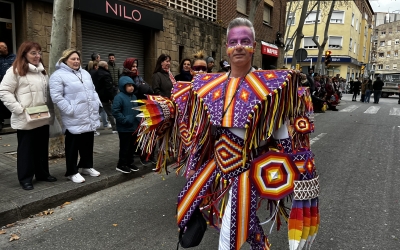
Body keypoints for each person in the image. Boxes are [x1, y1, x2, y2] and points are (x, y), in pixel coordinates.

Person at [135, 18, 320, 250]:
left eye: (245, 41)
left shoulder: (271, 87)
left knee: (230, 235)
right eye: (234, 42)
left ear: (253, 46)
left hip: (248, 173)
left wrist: (298, 173)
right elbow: (200, 131)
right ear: (226, 47)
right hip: (218, 167)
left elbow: (283, 138)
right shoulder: (210, 85)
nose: (239, 46)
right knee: (227, 220)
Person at [0, 41, 56, 190]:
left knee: (41, 148)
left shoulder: (42, 71)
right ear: (24, 54)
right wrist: (19, 109)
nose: (37, 56)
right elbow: (4, 92)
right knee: (26, 150)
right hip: (26, 118)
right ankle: (25, 178)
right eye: (33, 53)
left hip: (42, 117)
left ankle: (43, 173)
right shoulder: (15, 70)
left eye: (39, 52)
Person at [50, 49, 102, 183]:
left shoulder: (85, 73)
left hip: (89, 114)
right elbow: (56, 96)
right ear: (65, 60)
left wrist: (97, 103)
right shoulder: (58, 75)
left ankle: (86, 166)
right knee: (73, 145)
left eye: (78, 59)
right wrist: (69, 109)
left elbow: (93, 90)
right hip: (73, 115)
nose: (76, 61)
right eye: (73, 59)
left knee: (88, 142)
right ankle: (71, 172)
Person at [112, 76, 141, 173]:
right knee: (125, 147)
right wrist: (125, 120)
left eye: (132, 85)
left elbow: (136, 110)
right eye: (129, 85)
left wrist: (139, 119)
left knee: (132, 147)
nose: (131, 87)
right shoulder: (119, 97)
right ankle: (121, 164)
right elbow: (115, 111)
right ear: (123, 86)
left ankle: (130, 163)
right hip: (124, 128)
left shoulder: (134, 96)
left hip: (134, 126)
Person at [92, 60, 117, 133]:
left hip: (97, 96)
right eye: (107, 65)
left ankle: (93, 130)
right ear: (104, 66)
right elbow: (108, 87)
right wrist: (111, 97)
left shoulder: (94, 73)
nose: (107, 66)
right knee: (110, 113)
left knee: (95, 113)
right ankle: (114, 128)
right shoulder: (106, 74)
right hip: (105, 97)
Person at [0, 41, 15, 131]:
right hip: (0, 84)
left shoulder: (14, 58)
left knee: (12, 102)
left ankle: (13, 120)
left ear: (5, 48)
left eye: (0, 47)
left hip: (12, 84)